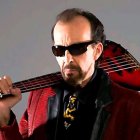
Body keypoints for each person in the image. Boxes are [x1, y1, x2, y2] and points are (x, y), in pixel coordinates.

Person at [0, 8, 140, 140]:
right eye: (59, 50)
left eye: (77, 48)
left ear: (97, 51)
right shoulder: (38, 96)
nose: (67, 58)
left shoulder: (132, 105)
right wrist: (4, 116)